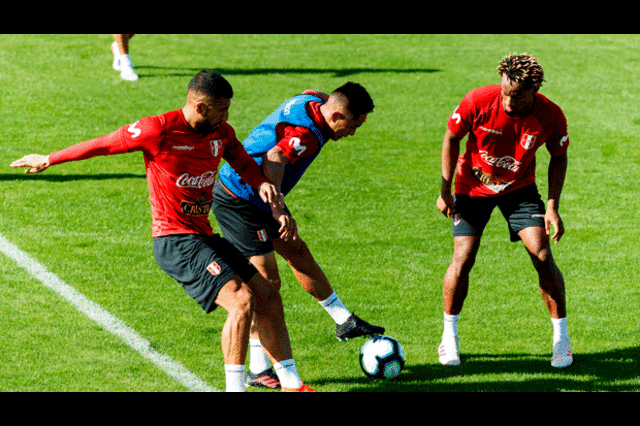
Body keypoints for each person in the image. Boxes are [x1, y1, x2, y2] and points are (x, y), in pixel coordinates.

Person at [10, 70, 314, 392]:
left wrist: (263, 183)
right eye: (221, 109)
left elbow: (241, 162)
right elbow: (103, 144)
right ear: (200, 107)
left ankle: (292, 384)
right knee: (240, 301)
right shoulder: (159, 130)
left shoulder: (221, 132)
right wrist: (50, 158)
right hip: (175, 240)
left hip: (203, 236)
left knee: (267, 294)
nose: (227, 116)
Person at [211, 82, 384, 389]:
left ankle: (344, 320)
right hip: (238, 196)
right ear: (337, 116)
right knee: (266, 284)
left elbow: (311, 91)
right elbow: (275, 158)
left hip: (259, 194)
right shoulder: (307, 136)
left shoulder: (316, 101)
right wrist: (279, 211)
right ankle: (258, 368)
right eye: (352, 125)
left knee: (295, 248)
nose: (352, 133)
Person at [436, 53, 573, 369]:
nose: (509, 102)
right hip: (471, 186)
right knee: (463, 256)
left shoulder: (550, 116)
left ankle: (561, 340)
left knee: (541, 254)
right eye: (505, 93)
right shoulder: (479, 101)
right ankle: (449, 338)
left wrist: (552, 206)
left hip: (520, 190)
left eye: (517, 95)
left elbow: (559, 156)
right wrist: (445, 189)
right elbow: (452, 137)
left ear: (533, 90)